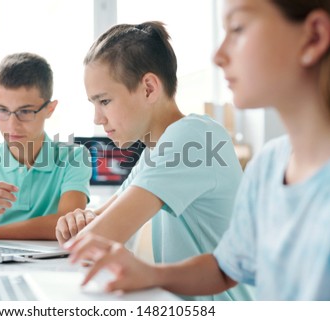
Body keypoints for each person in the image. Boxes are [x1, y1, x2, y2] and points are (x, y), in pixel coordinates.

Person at [65, 0, 330, 300]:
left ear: (314, 37)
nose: (217, 57)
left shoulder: (195, 138)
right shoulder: (267, 164)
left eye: (239, 28)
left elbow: (99, 233)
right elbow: (223, 268)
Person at [56, 22, 253, 300]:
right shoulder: (154, 152)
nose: (97, 119)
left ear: (149, 88)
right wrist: (75, 222)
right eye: (94, 103)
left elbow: (100, 237)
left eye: (105, 101)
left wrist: (83, 233)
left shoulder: (195, 138)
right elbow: (90, 231)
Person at [0, 52, 91, 240]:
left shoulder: (74, 157)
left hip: (56, 265)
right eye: (2, 110)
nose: (12, 125)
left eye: (25, 111)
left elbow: (68, 225)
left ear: (50, 109)